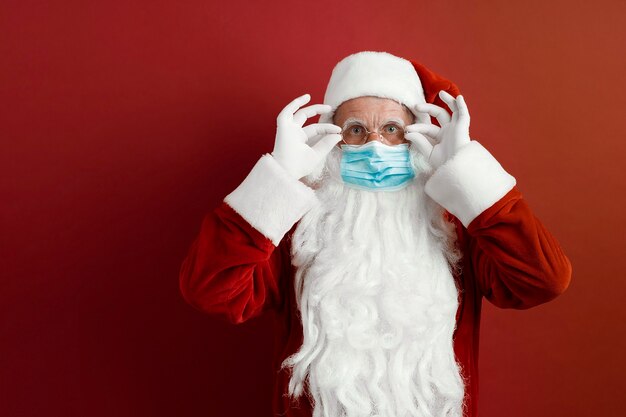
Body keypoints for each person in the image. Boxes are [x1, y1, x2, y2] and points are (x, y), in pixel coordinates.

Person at [179, 51, 572, 417]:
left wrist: (471, 177)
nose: (375, 145)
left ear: (418, 137)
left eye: (391, 128)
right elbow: (209, 290)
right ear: (331, 140)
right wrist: (279, 177)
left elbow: (544, 280)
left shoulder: (456, 227)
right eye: (354, 130)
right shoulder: (298, 230)